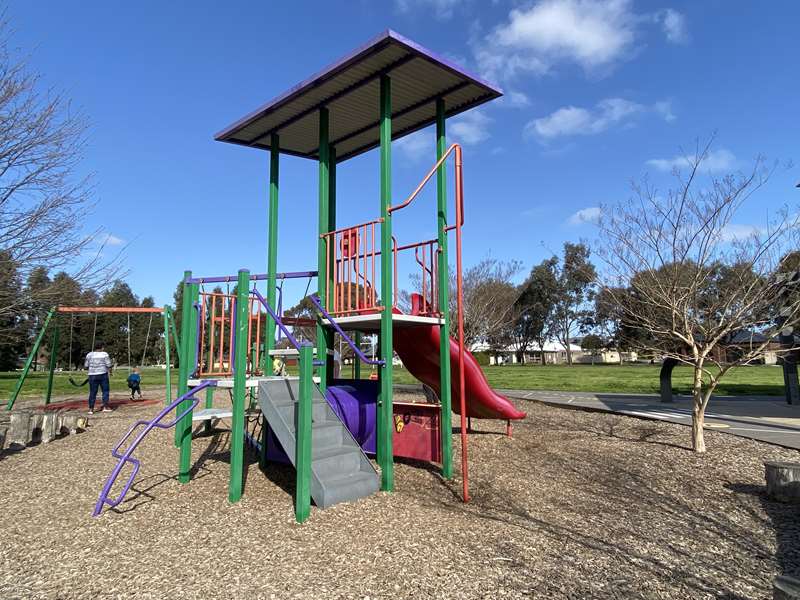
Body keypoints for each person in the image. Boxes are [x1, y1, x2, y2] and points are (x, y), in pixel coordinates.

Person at [85, 343, 113, 415]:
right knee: (105, 391)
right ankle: (105, 407)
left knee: (93, 392)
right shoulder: (104, 354)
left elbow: (86, 365)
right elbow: (109, 364)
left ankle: (91, 409)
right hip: (103, 374)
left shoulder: (89, 354)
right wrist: (110, 372)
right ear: (102, 348)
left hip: (92, 375)